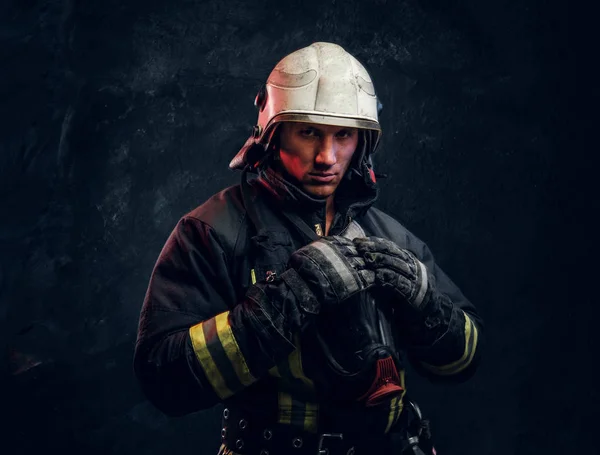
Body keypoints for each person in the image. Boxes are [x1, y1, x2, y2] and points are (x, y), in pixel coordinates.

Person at [133, 42, 483, 455]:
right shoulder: (212, 231)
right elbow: (164, 381)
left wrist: (424, 303)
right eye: (309, 132)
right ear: (272, 132)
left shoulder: (391, 238)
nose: (326, 156)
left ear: (363, 142)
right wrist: (280, 307)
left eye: (344, 135)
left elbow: (463, 362)